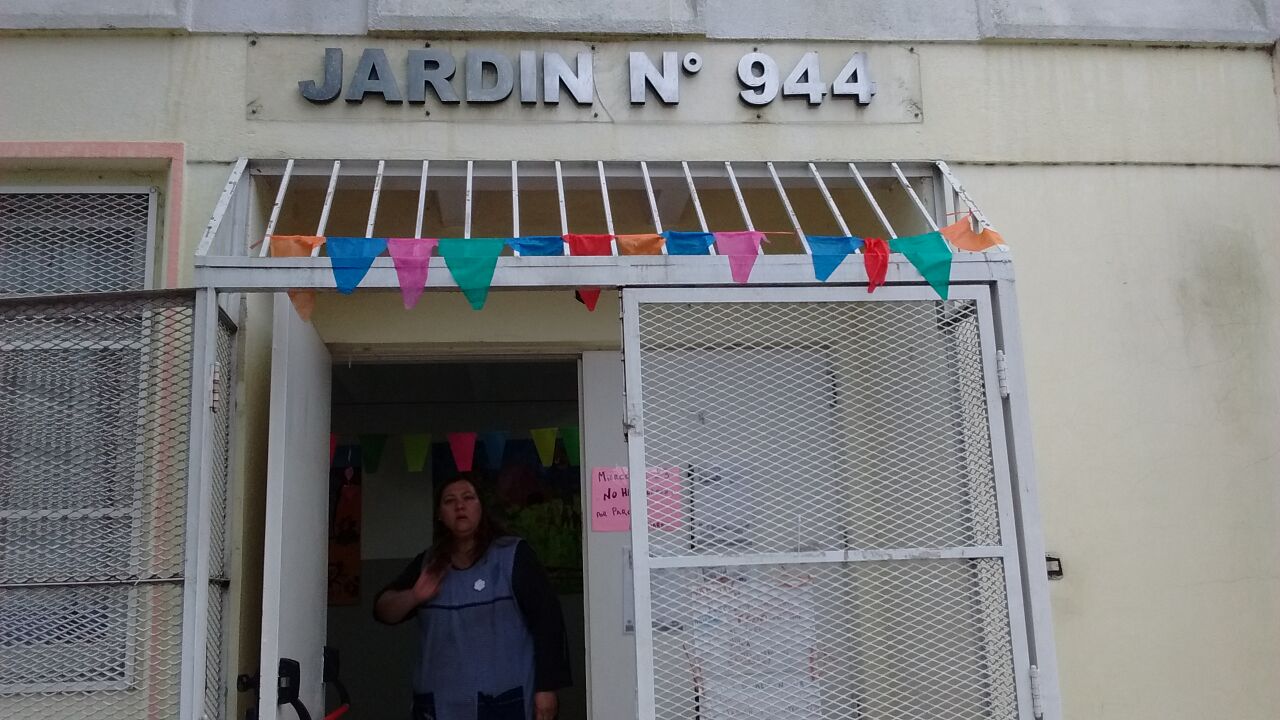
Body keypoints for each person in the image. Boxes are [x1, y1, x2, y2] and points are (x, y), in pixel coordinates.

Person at [374, 473, 572, 720]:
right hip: (439, 706)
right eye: (449, 501)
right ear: (439, 514)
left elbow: (548, 622)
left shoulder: (513, 555)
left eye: (468, 498)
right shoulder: (428, 563)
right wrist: (414, 596)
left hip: (504, 703)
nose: (460, 506)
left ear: (481, 508)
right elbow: (383, 611)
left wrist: (546, 688)